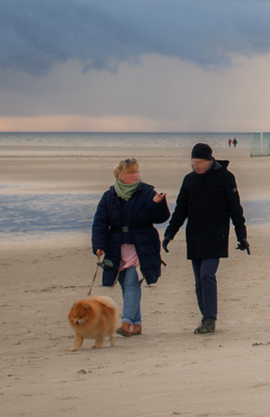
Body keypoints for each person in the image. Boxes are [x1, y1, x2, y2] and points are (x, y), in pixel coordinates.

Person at [162, 142, 249, 335]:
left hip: (216, 235)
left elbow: (235, 209)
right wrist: (169, 234)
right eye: (193, 162)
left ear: (209, 160)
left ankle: (210, 318)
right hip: (194, 236)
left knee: (207, 275)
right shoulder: (189, 180)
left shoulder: (226, 178)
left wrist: (241, 235)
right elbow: (180, 210)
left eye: (199, 162)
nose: (196, 166)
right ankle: (205, 317)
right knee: (198, 281)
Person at [90, 158, 169, 336]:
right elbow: (100, 223)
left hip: (142, 246)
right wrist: (98, 245)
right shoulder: (109, 196)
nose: (134, 176)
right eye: (130, 173)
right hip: (117, 247)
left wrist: (159, 204)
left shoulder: (148, 192)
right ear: (120, 176)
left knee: (132, 283)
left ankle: (126, 323)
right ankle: (137, 324)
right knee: (125, 285)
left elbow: (160, 218)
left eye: (136, 172)